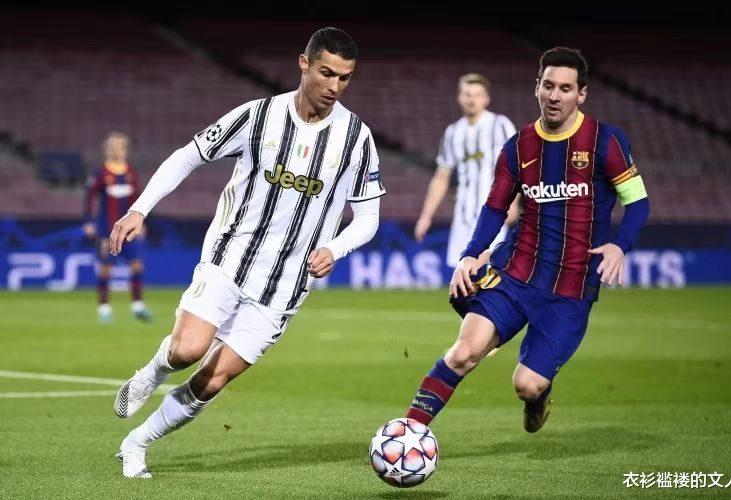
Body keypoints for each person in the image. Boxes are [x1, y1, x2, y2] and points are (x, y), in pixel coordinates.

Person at [110, 27, 385, 478]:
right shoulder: (258, 116)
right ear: (304, 64)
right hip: (231, 256)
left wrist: (335, 248)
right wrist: (140, 208)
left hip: (286, 283)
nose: (334, 86)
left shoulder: (356, 137)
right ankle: (153, 372)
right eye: (326, 73)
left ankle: (136, 442)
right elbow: (188, 155)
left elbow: (369, 217)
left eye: (345, 78)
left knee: (212, 379)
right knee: (188, 350)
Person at [404, 47, 650, 433]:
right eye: (548, 86)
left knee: (527, 383)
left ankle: (539, 395)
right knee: (464, 352)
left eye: (565, 88)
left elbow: (638, 203)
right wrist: (471, 254)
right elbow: (495, 208)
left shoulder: (606, 142)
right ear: (537, 87)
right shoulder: (518, 146)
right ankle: (407, 434)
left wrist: (621, 245)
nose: (555, 95)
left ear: (581, 94)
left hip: (570, 285)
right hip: (516, 270)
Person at [414, 73, 520, 268]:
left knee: (486, 270)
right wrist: (426, 216)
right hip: (463, 214)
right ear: (459, 98)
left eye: (477, 95)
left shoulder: (500, 125)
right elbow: (441, 177)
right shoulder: (453, 132)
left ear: (486, 99)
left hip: (495, 211)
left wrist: (513, 202)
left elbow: (517, 165)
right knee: (462, 274)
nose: (472, 100)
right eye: (467, 94)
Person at [83, 132, 152, 323]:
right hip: (107, 229)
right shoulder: (100, 174)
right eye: (113, 146)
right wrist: (88, 221)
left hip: (129, 229)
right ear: (107, 149)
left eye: (120, 146)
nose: (117, 150)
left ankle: (138, 306)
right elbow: (89, 199)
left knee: (136, 264)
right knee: (106, 268)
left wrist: (141, 221)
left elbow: (138, 201)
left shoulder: (131, 173)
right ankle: (104, 308)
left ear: (125, 150)